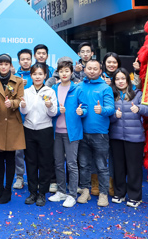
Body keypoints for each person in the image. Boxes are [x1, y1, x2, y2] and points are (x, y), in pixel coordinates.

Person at [109, 68, 148, 208]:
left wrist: (139, 108)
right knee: (118, 167)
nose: (120, 81)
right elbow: (107, 116)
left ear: (128, 80)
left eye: (123, 78)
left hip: (135, 137)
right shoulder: (111, 94)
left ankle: (135, 196)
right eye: (117, 79)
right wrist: (114, 115)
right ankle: (119, 193)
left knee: (134, 168)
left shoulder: (137, 94)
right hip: (116, 136)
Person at [0, 54, 26, 204]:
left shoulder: (18, 81)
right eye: (1, 64)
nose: (3, 66)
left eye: (6, 64)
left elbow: (20, 99)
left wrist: (13, 103)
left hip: (12, 123)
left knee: (10, 158)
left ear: (10, 66)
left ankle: (8, 189)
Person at [76, 59, 115, 207]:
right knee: (84, 165)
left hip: (100, 134)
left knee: (101, 166)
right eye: (89, 68)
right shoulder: (79, 86)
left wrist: (102, 110)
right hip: (82, 133)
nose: (92, 71)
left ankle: (103, 193)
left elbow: (111, 108)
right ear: (84, 70)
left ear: (100, 71)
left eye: (95, 69)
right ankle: (85, 191)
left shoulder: (106, 88)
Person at [20, 63, 57, 207]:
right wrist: (23, 107)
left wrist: (50, 106)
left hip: (45, 130)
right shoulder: (26, 91)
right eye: (35, 74)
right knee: (30, 162)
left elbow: (53, 113)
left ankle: (42, 193)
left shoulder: (50, 92)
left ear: (45, 76)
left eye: (40, 74)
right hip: (29, 129)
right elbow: (24, 112)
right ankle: (32, 192)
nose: (37, 77)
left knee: (45, 162)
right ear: (31, 76)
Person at [49, 59, 85, 208]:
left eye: (67, 71)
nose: (64, 74)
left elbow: (85, 107)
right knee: (58, 163)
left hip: (72, 132)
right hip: (56, 132)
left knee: (71, 164)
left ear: (71, 73)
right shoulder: (53, 89)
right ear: (58, 73)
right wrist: (57, 110)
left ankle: (72, 195)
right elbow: (50, 108)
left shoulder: (77, 89)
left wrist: (82, 111)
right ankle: (61, 191)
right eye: (61, 71)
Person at [13, 49, 33, 190]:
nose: (25, 61)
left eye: (28, 59)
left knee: (33, 152)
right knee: (18, 151)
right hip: (18, 119)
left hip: (35, 120)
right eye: (23, 59)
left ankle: (33, 177)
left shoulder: (37, 75)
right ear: (19, 61)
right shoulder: (13, 77)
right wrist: (19, 86)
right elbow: (9, 95)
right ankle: (19, 177)